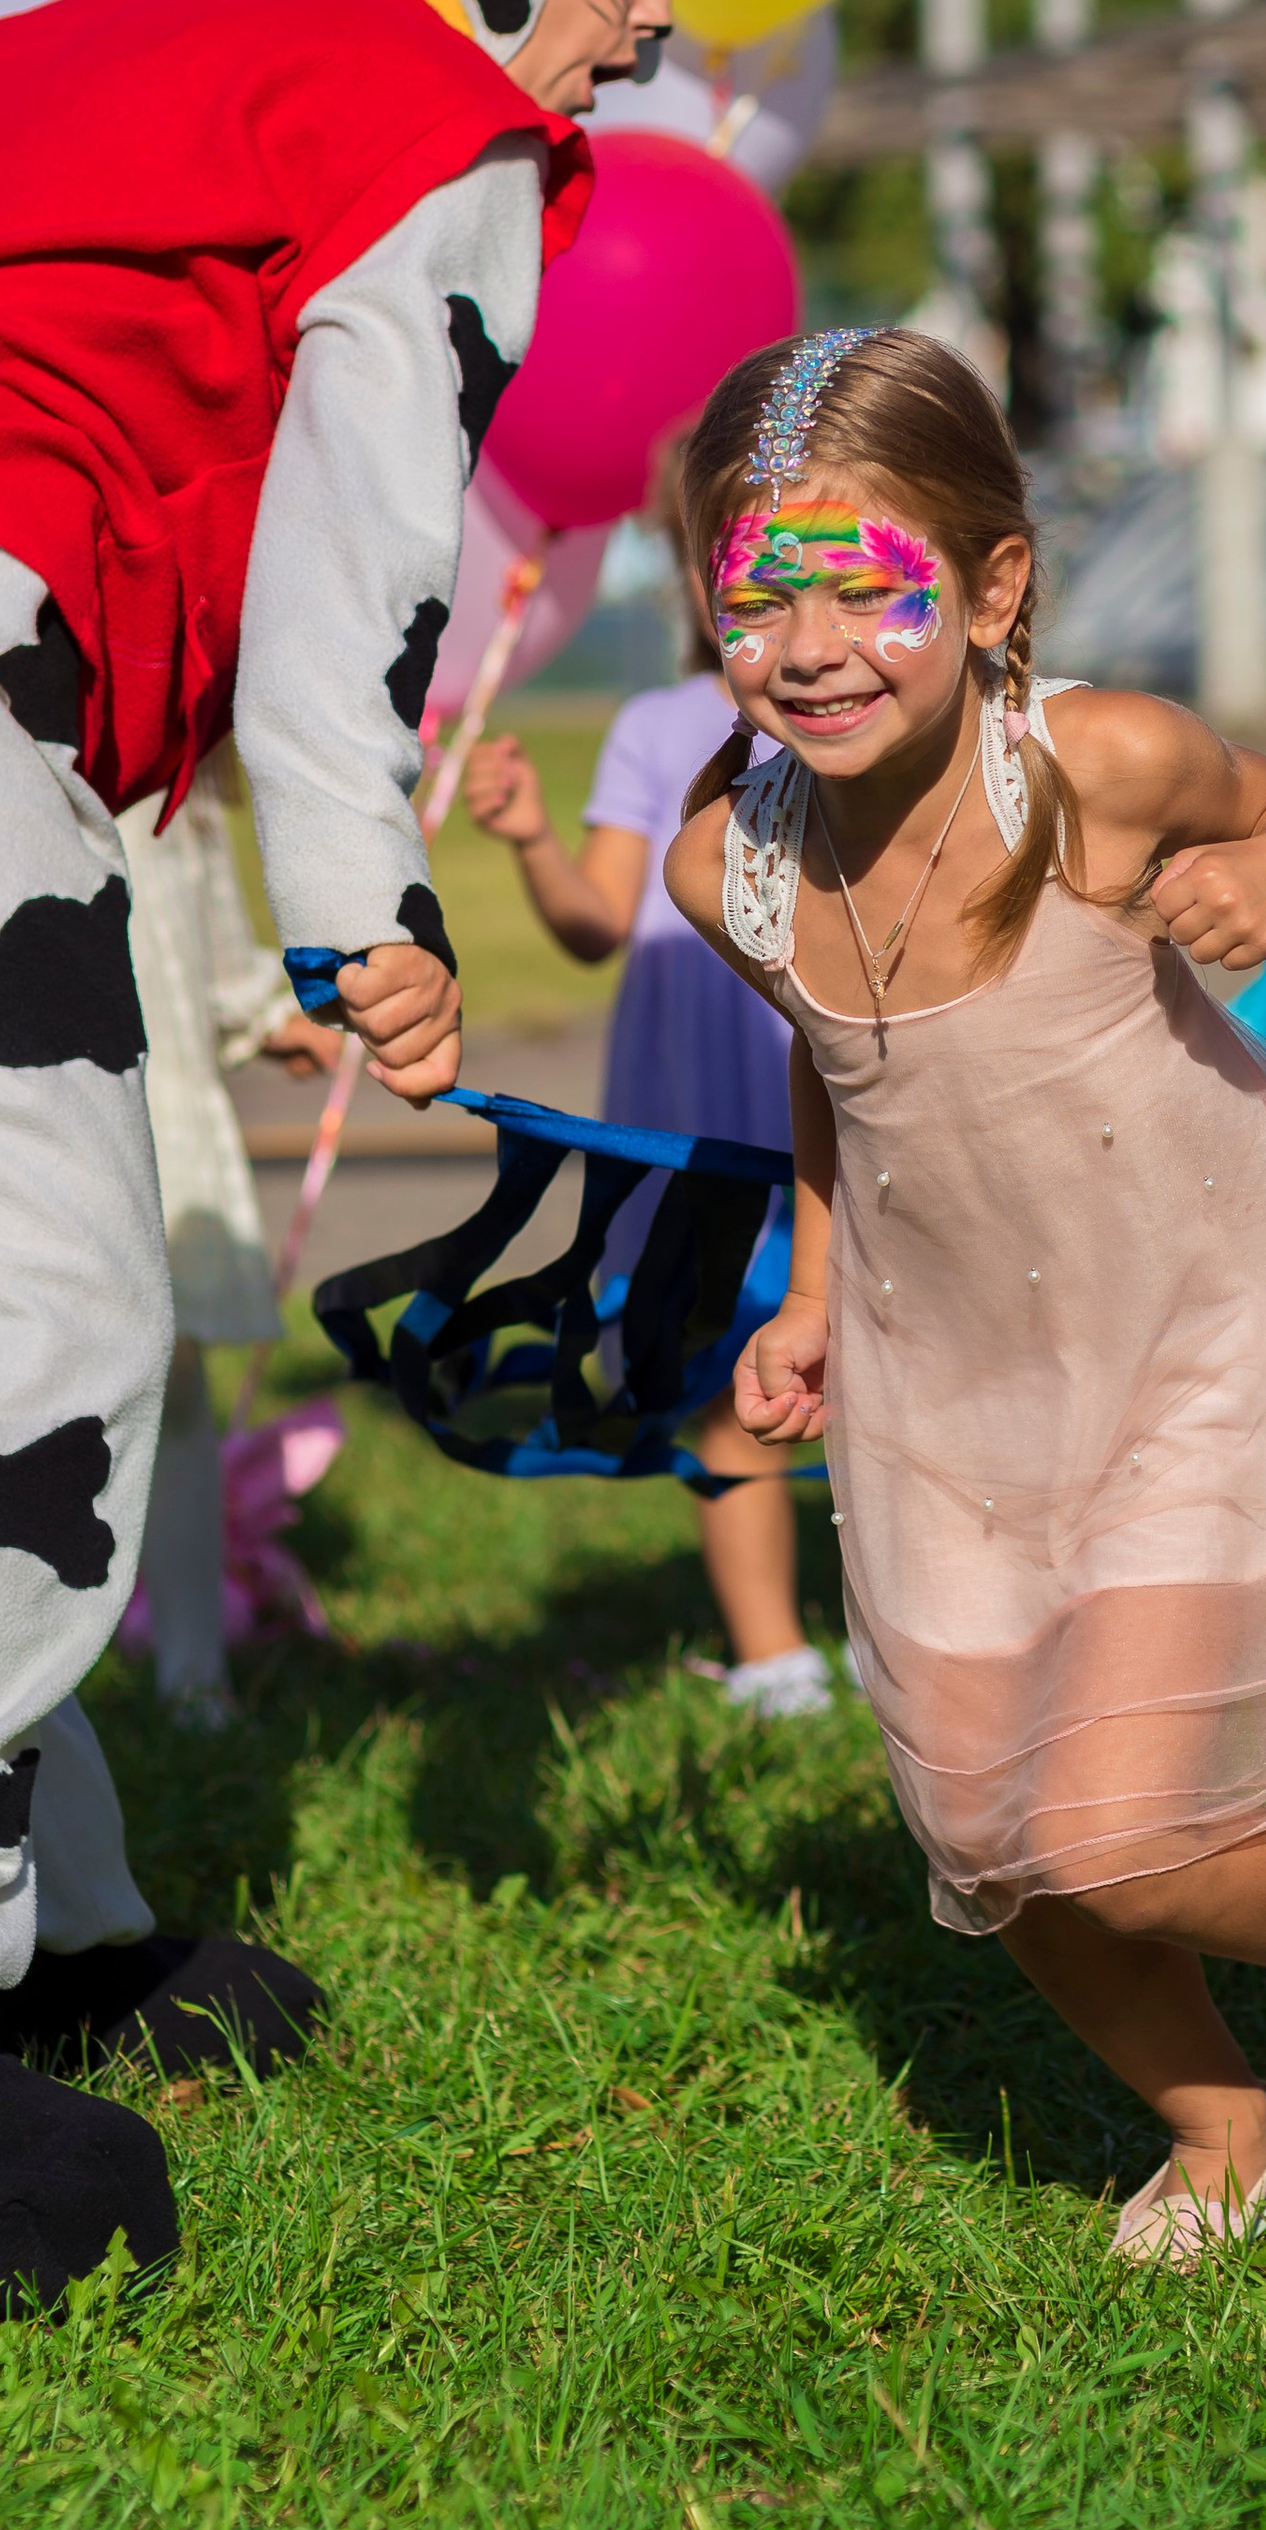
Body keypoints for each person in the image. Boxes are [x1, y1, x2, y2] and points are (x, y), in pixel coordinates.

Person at [0, 0, 808, 2307]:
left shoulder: (86, 41)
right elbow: (350, 580)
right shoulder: (428, 114)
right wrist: (362, 913)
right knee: (33, 1308)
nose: (649, 23)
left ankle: (28, 1919)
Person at [664, 328, 1266, 2267]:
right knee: (993, 1848)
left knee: (1110, 1825)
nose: (813, 642)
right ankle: (1213, 2118)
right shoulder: (724, 868)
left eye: (873, 587)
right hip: (957, 1391)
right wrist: (817, 1290)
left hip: (1200, 1346)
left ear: (993, 587)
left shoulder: (1089, 767)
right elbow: (838, 1073)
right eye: (758, 592)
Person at [461, 513, 825, 1718]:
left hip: (828, 1116)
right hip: (693, 1132)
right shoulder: (652, 728)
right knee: (728, 1385)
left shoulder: (847, 719)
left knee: (873, 1372)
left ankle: (903, 1629)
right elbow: (595, 923)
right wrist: (530, 845)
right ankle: (775, 1656)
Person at [118, 772, 340, 1726]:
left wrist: (257, 1007)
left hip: (152, 1099)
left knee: (171, 1392)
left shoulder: (176, 777)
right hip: (27, 1099)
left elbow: (192, 911)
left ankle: (193, 1673)